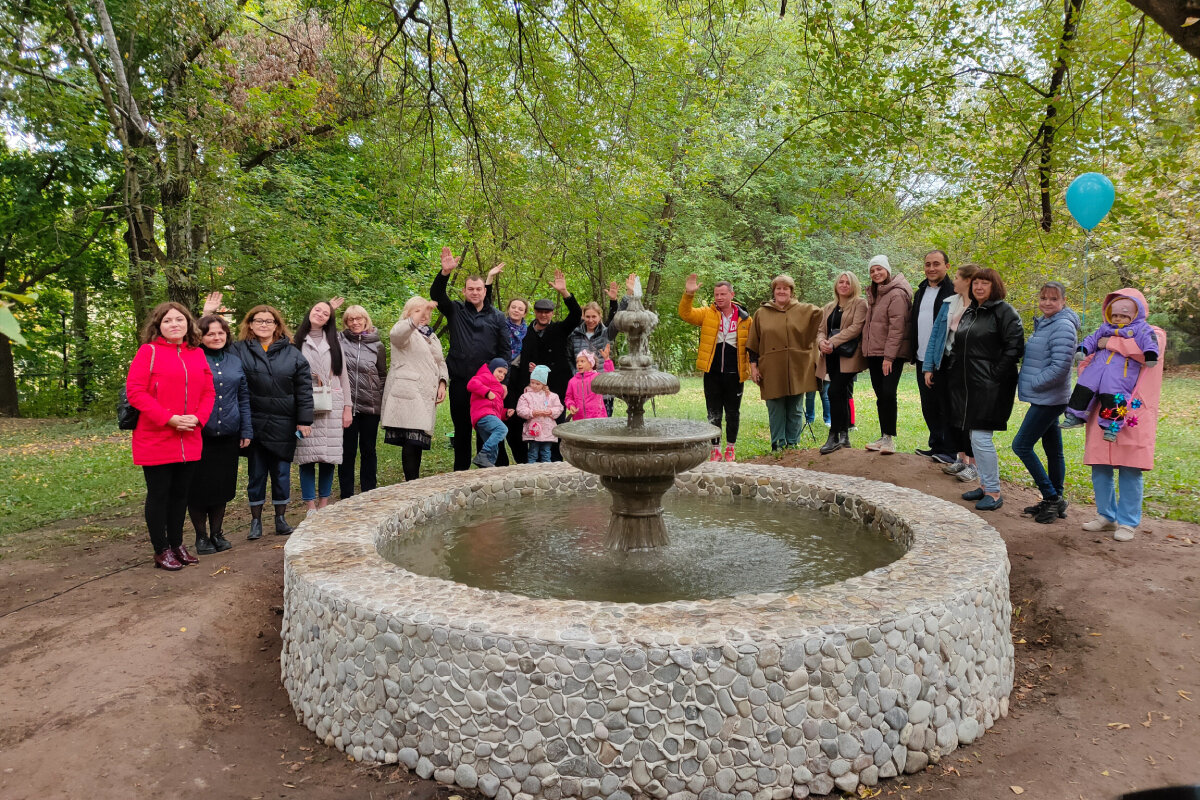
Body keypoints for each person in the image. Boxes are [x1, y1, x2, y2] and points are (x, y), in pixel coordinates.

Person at [125, 302, 215, 570]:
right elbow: (136, 392)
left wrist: (198, 418)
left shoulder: (197, 354)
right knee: (159, 494)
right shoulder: (148, 352)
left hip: (189, 436)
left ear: (188, 324)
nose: (174, 324)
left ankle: (177, 544)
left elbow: (208, 392)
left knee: (181, 495)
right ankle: (161, 549)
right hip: (157, 436)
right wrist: (169, 418)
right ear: (158, 326)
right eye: (167, 321)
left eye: (179, 319)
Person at [1076, 289, 1165, 542]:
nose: (1118, 318)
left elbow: (1147, 351)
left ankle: (1127, 522)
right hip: (1104, 407)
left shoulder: (1154, 332)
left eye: (1124, 312)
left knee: (1130, 468)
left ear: (1138, 311)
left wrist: (1110, 343)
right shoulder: (1101, 332)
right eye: (1113, 313)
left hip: (1134, 409)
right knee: (1100, 465)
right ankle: (1106, 515)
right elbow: (1088, 360)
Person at [946, 268, 1024, 511]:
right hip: (968, 385)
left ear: (995, 286)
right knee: (973, 436)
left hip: (992, 385)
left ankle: (993, 491)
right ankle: (984, 484)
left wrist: (994, 375)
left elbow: (1015, 348)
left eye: (985, 284)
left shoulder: (1004, 312)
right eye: (976, 283)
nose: (979, 287)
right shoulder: (971, 311)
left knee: (981, 437)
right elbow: (960, 346)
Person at [233, 304, 314, 539]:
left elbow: (304, 390)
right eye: (259, 320)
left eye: (269, 321)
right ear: (249, 323)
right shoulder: (238, 350)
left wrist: (304, 420)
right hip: (253, 422)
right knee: (256, 474)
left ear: (277, 325)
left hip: (284, 422)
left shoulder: (292, 353)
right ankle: (255, 521)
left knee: (281, 473)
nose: (264, 325)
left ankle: (280, 518)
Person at [431, 246, 510, 471]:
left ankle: (490, 476)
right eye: (470, 289)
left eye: (478, 289)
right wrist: (444, 273)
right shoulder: (456, 310)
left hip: (488, 386)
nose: (475, 292)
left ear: (485, 291)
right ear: (465, 291)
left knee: (488, 431)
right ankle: (461, 476)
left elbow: (505, 352)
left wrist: (502, 381)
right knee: (463, 431)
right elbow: (437, 295)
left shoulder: (497, 317)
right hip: (461, 383)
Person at [1013, 282, 1080, 524]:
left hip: (1049, 398)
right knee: (1054, 451)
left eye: (1053, 299)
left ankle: (1051, 497)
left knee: (1020, 445)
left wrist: (1033, 383)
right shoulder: (1046, 323)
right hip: (1049, 397)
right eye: (1043, 298)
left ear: (1063, 301)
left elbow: (1061, 367)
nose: (1047, 303)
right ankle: (1056, 499)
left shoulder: (1062, 326)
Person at [189, 313, 252, 554]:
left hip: (229, 432)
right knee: (198, 488)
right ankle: (201, 537)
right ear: (201, 337)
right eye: (210, 333)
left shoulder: (234, 360)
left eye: (220, 333)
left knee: (222, 487)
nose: (216, 337)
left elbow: (243, 396)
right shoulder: (194, 358)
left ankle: (217, 533)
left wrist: (246, 429)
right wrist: (204, 312)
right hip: (199, 433)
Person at [1061, 292, 1161, 441]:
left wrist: (1151, 354)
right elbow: (1092, 339)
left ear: (1134, 315)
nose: (1117, 318)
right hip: (1097, 367)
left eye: (1123, 315)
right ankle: (1074, 416)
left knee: (1113, 397)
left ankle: (1111, 427)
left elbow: (1149, 341)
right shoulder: (1105, 328)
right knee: (1083, 388)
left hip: (1120, 373)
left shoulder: (1140, 329)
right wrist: (1083, 349)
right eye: (1114, 315)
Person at [507, 269, 582, 462]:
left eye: (547, 312)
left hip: (556, 386)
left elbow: (575, 314)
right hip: (530, 388)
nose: (543, 315)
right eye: (540, 311)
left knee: (555, 425)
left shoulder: (559, 329)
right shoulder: (526, 332)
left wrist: (565, 293)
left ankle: (555, 462)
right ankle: (527, 463)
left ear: (552, 313)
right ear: (534, 312)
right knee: (526, 425)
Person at [678, 273, 752, 462]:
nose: (719, 298)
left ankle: (731, 448)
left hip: (735, 373)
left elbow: (752, 345)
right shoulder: (707, 313)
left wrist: (754, 366)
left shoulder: (745, 319)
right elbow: (685, 314)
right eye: (716, 294)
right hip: (712, 372)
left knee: (733, 412)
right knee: (713, 412)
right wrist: (689, 294)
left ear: (731, 295)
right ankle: (716, 449)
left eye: (723, 294)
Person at [746, 274, 822, 450]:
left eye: (785, 288)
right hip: (771, 367)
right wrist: (753, 368)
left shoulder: (804, 310)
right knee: (775, 406)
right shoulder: (762, 313)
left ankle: (793, 444)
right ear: (773, 291)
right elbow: (753, 344)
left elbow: (825, 315)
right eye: (778, 288)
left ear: (791, 291)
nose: (781, 291)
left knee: (795, 407)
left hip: (797, 365)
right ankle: (778, 444)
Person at [923, 263, 982, 484]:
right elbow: (935, 337)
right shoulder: (949, 303)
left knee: (968, 415)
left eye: (957, 277)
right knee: (950, 413)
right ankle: (959, 458)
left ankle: (973, 465)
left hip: (969, 368)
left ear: (968, 281)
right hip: (946, 364)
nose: (953, 280)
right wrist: (929, 367)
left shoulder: (981, 307)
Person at [292, 301, 352, 513]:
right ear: (309, 311)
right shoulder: (296, 341)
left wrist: (347, 407)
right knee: (306, 456)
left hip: (332, 404)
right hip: (305, 403)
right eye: (317, 309)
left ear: (329, 319)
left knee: (329, 456)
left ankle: (324, 504)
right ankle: (310, 506)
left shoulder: (335, 341)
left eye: (326, 313)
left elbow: (343, 377)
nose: (320, 314)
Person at [381, 296, 448, 481]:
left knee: (417, 442)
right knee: (411, 441)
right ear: (408, 313)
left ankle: (413, 482)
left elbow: (440, 362)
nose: (424, 315)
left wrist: (443, 382)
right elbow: (397, 334)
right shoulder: (403, 330)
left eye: (427, 311)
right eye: (418, 311)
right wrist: (415, 317)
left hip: (426, 394)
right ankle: (411, 483)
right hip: (409, 394)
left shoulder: (431, 335)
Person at [861, 255, 913, 455]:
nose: (875, 273)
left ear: (887, 270)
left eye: (879, 269)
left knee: (889, 394)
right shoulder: (877, 293)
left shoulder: (896, 294)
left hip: (889, 354)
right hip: (874, 353)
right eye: (872, 270)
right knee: (881, 395)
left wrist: (889, 357)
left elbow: (897, 328)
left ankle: (889, 439)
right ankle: (884, 436)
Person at [910, 249, 958, 462]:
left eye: (936, 264)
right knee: (928, 405)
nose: (931, 268)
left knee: (944, 405)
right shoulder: (919, 291)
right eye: (928, 264)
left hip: (944, 359)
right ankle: (936, 445)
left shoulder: (954, 292)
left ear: (947, 266)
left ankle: (949, 450)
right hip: (921, 357)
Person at [815, 271, 868, 455]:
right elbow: (821, 330)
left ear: (854, 286)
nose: (844, 285)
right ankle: (845, 436)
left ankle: (834, 435)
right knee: (842, 394)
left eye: (848, 282)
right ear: (836, 285)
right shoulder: (829, 307)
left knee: (834, 390)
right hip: (830, 356)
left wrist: (833, 341)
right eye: (841, 282)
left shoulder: (860, 303)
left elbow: (856, 328)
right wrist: (822, 342)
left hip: (849, 357)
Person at [338, 305, 386, 499]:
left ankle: (368, 492)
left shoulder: (377, 345)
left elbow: (382, 375)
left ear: (366, 321)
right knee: (347, 451)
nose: (355, 322)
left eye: (359, 319)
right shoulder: (340, 341)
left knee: (368, 450)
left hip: (370, 405)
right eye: (351, 320)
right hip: (346, 407)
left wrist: (381, 404)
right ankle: (346, 494)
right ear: (346, 323)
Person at [468, 358, 514, 468]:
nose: (502, 375)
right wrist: (487, 392)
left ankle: (488, 467)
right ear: (492, 369)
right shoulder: (485, 377)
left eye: (504, 374)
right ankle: (483, 455)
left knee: (494, 448)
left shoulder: (498, 388)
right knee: (502, 429)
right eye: (499, 371)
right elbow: (471, 384)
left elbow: (496, 408)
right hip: (483, 415)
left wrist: (505, 413)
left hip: (489, 416)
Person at [516, 364, 563, 463]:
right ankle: (531, 472)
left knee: (546, 452)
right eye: (532, 382)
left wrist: (550, 412)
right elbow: (520, 409)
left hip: (547, 429)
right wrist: (532, 413)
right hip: (533, 430)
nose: (534, 385)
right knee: (533, 452)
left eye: (537, 383)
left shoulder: (552, 396)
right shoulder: (525, 396)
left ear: (543, 384)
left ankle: (547, 472)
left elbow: (559, 408)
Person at [564, 347, 614, 421]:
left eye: (582, 361)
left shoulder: (597, 377)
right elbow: (568, 398)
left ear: (591, 364)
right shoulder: (572, 381)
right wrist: (571, 405)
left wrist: (607, 360)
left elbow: (609, 377)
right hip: (579, 419)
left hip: (597, 418)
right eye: (577, 362)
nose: (579, 364)